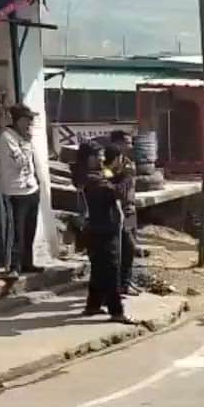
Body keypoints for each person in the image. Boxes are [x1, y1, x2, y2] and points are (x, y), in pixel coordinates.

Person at [75, 142, 131, 324]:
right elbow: (117, 193)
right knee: (111, 269)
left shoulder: (91, 176)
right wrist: (126, 177)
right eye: (98, 155)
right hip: (103, 229)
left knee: (99, 270)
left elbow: (111, 183)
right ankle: (116, 311)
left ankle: (93, 305)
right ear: (89, 158)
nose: (101, 158)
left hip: (99, 228)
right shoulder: (91, 180)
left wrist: (119, 175)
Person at [0, 104, 42, 280]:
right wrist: (28, 143)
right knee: (16, 230)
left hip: (31, 188)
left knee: (30, 229)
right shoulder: (7, 138)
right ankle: (13, 266)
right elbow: (20, 162)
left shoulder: (24, 138)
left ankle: (28, 262)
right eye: (27, 120)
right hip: (15, 191)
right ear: (19, 120)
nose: (30, 123)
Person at [106, 133, 139, 296]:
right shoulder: (107, 167)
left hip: (130, 210)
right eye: (126, 143)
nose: (130, 146)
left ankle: (126, 281)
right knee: (124, 247)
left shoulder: (129, 164)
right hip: (118, 212)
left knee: (131, 248)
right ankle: (118, 284)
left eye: (131, 143)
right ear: (116, 144)